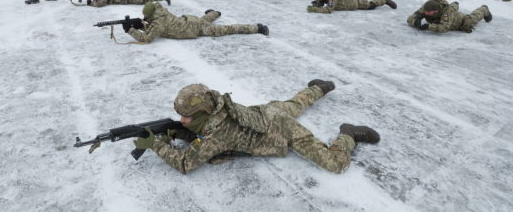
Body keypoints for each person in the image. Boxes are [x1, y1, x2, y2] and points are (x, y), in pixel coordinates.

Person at [133, 81, 380, 174]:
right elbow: (199, 131)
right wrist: (181, 131)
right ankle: (318, 88)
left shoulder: (215, 135)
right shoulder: (218, 104)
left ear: (203, 112)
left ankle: (348, 134)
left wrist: (155, 143)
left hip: (282, 131)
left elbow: (185, 163)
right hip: (263, 112)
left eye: (186, 116)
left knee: (335, 164)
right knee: (293, 104)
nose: (182, 120)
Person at [125, 3, 269, 43]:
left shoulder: (157, 23)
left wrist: (130, 30)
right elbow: (155, 26)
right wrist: (142, 25)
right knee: (204, 19)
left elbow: (147, 38)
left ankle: (257, 28)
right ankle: (214, 13)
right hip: (189, 20)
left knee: (226, 29)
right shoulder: (161, 12)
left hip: (194, 29)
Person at [407, 0, 492, 33]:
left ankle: (484, 9)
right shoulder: (426, 8)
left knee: (470, 22)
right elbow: (410, 18)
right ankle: (454, 4)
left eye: (428, 12)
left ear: (436, 11)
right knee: (452, 8)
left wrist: (429, 27)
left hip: (461, 20)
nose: (425, 13)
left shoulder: (447, 13)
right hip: (450, 14)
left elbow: (445, 28)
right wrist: (414, 22)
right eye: (425, 11)